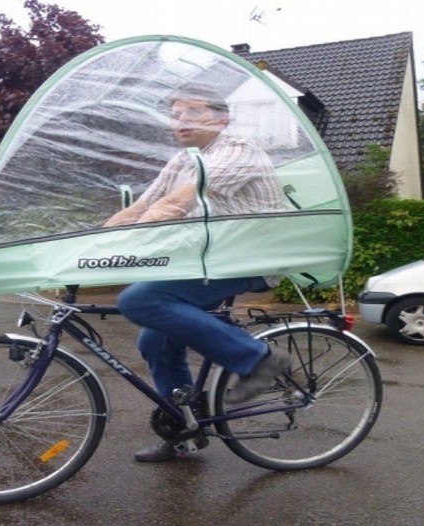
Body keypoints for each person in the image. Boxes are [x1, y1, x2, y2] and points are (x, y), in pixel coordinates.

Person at [105, 85, 292, 462]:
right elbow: (144, 204)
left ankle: (259, 360)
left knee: (141, 299)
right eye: (176, 115)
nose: (181, 121)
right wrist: (90, 243)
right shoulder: (181, 159)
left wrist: (130, 238)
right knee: (154, 343)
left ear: (222, 119)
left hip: (247, 259)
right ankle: (186, 430)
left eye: (193, 112)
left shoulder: (239, 150)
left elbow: (179, 201)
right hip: (205, 260)